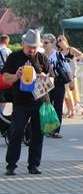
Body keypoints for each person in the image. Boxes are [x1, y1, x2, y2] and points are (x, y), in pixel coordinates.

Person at [3, 29, 51, 175]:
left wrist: (44, 77)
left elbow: (52, 78)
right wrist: (16, 76)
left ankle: (34, 165)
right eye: (30, 47)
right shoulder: (14, 57)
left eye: (35, 47)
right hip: (21, 102)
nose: (32, 50)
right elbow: (5, 77)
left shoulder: (42, 58)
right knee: (16, 131)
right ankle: (11, 165)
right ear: (23, 44)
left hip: (39, 101)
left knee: (37, 134)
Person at [42, 33, 71, 138]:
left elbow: (67, 68)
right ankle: (48, 129)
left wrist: (71, 81)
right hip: (45, 84)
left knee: (58, 107)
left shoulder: (58, 54)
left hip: (58, 83)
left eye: (46, 42)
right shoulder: (40, 55)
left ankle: (56, 130)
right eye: (43, 42)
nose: (44, 44)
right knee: (47, 107)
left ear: (52, 43)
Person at [56, 35, 83, 119]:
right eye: (58, 41)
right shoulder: (59, 52)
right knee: (65, 95)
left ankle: (72, 111)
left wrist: (75, 58)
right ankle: (69, 111)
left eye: (60, 40)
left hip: (71, 74)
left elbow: (82, 55)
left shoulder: (71, 49)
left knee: (69, 93)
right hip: (63, 75)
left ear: (64, 40)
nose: (59, 42)